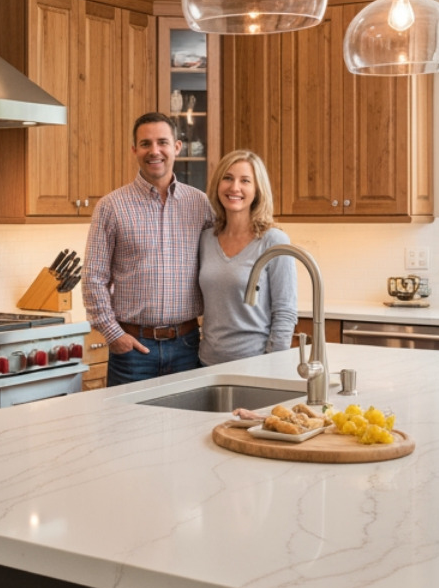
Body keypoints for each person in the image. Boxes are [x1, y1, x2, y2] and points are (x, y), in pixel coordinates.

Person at [84, 112, 214, 385]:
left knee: (186, 415)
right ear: (134, 150)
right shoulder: (111, 207)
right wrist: (114, 335)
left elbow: (221, 263)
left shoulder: (200, 204)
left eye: (162, 142)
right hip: (132, 351)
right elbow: (93, 278)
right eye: (145, 144)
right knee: (126, 416)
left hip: (188, 347)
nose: (154, 151)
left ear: (177, 147)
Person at [197, 149, 298, 365]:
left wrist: (273, 365)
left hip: (254, 364)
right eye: (227, 178)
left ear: (257, 190)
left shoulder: (273, 241)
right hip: (206, 363)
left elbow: (285, 312)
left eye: (245, 180)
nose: (235, 187)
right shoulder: (206, 238)